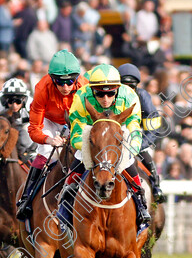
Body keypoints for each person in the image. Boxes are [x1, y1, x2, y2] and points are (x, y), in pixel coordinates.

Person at [58, 64, 151, 228]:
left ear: (117, 89)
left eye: (110, 93)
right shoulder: (80, 97)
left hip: (118, 134)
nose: (106, 98)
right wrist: (94, 147)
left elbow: (134, 126)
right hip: (91, 135)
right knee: (80, 159)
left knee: (128, 162)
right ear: (92, 90)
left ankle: (141, 203)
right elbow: (77, 131)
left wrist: (133, 148)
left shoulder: (129, 96)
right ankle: (65, 207)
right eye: (100, 93)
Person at [17, 49, 85, 221]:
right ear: (52, 80)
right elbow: (34, 129)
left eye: (70, 81)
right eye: (60, 82)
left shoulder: (85, 87)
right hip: (49, 121)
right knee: (47, 152)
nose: (65, 87)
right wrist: (49, 139)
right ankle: (26, 197)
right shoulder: (42, 88)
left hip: (75, 120)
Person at [118, 63, 166, 203]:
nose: (128, 90)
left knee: (147, 158)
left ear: (136, 86)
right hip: (117, 135)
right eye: (124, 86)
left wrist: (138, 145)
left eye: (131, 86)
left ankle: (155, 185)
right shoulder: (111, 95)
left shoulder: (143, 96)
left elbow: (153, 128)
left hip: (137, 135)